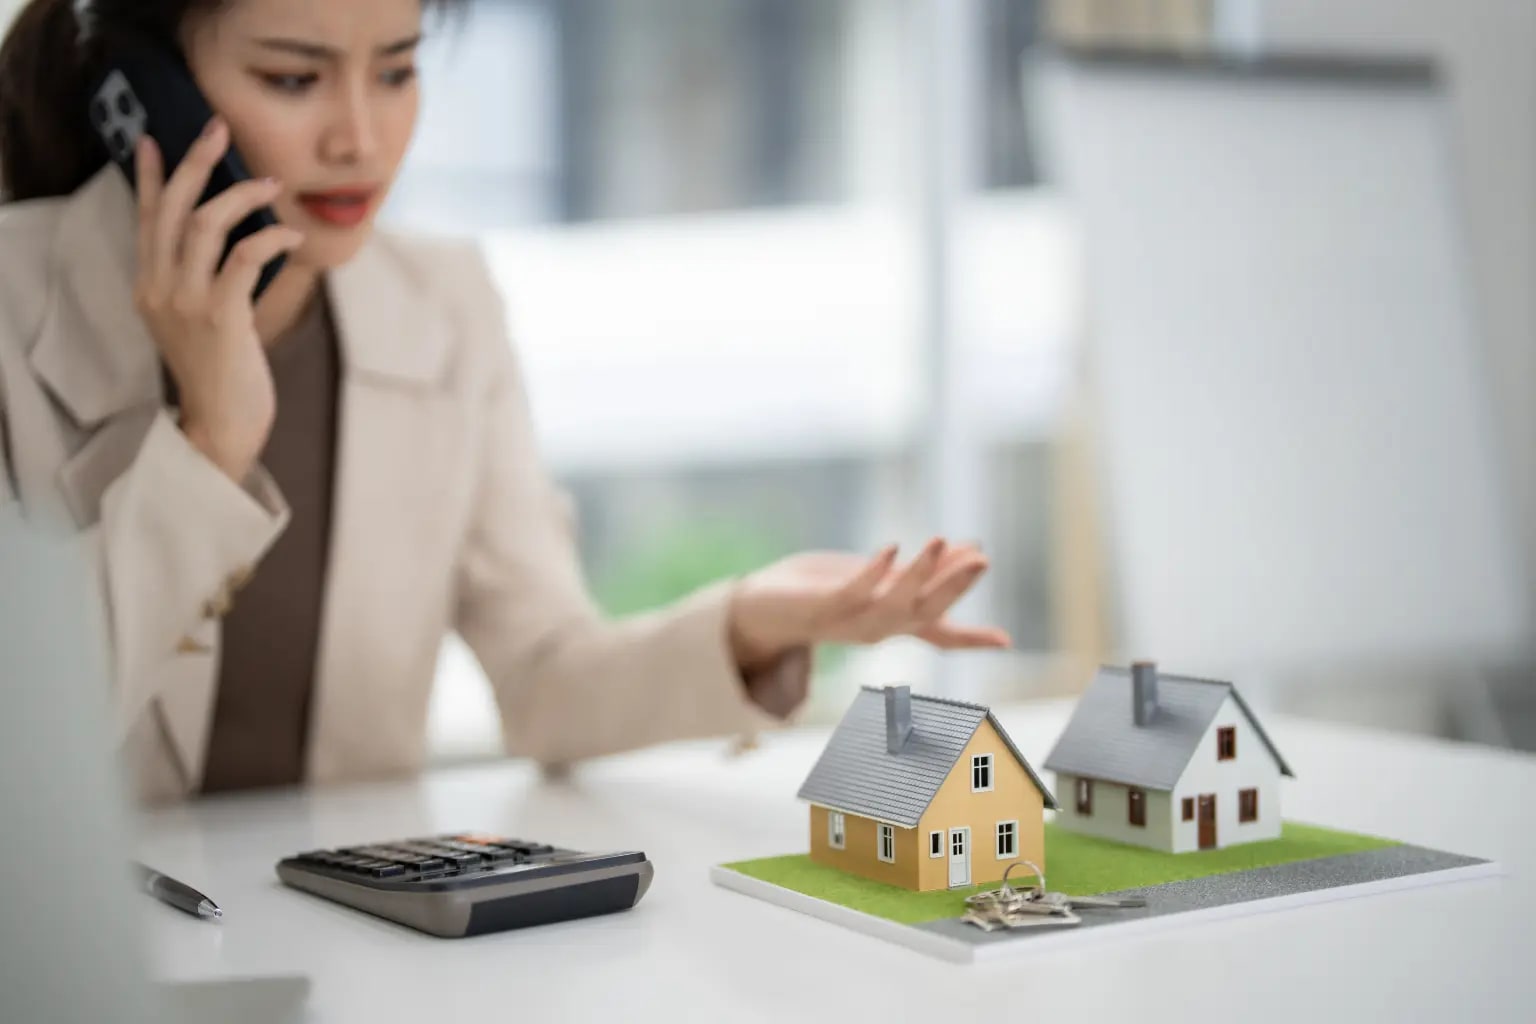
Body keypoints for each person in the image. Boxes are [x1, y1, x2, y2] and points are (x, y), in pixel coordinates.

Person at [0, 0, 1009, 804]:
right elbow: (27, 744)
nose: (362, 137)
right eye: (294, 78)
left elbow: (544, 676)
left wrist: (751, 621)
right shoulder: (14, 309)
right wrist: (212, 446)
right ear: (142, 94)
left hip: (347, 951)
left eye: (397, 68)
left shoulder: (446, 306)